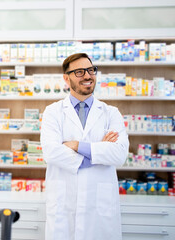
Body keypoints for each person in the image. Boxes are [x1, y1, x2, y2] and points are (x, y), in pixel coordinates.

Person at [40, 53, 129, 240]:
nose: (88, 76)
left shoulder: (111, 113)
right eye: (79, 72)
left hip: (99, 208)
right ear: (66, 78)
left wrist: (76, 145)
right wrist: (98, 151)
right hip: (64, 206)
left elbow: (119, 154)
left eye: (91, 70)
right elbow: (51, 152)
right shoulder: (53, 112)